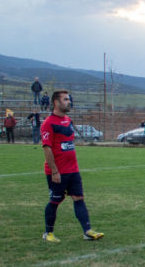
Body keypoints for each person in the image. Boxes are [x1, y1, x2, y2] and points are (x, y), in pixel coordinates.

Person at [40, 90, 104, 243]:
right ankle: (48, 233)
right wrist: (55, 171)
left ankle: (87, 231)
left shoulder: (68, 120)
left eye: (69, 99)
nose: (69, 102)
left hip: (73, 170)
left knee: (79, 198)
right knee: (55, 201)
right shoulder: (48, 123)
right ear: (56, 102)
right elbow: (47, 148)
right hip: (58, 172)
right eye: (66, 99)